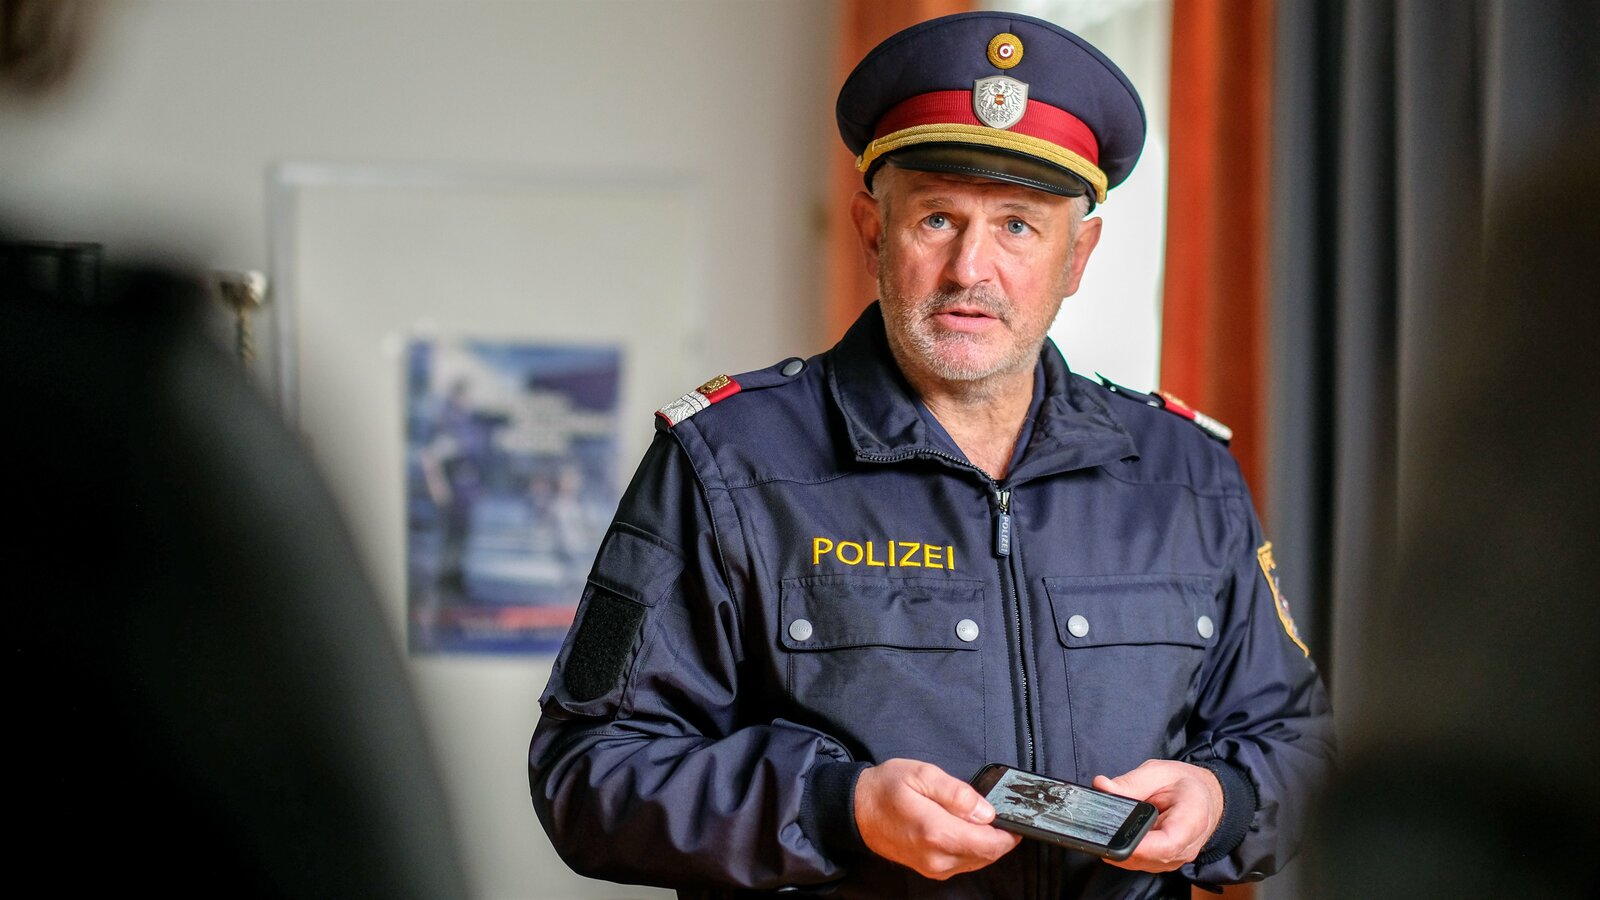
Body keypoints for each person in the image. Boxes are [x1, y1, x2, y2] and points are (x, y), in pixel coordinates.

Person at [529, 11, 1334, 899]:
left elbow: (1299, 745)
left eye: (1019, 227)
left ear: (1079, 255)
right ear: (873, 229)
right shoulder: (724, 461)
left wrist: (1224, 800)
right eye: (938, 218)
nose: (969, 270)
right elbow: (588, 771)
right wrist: (837, 808)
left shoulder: (1186, 474)